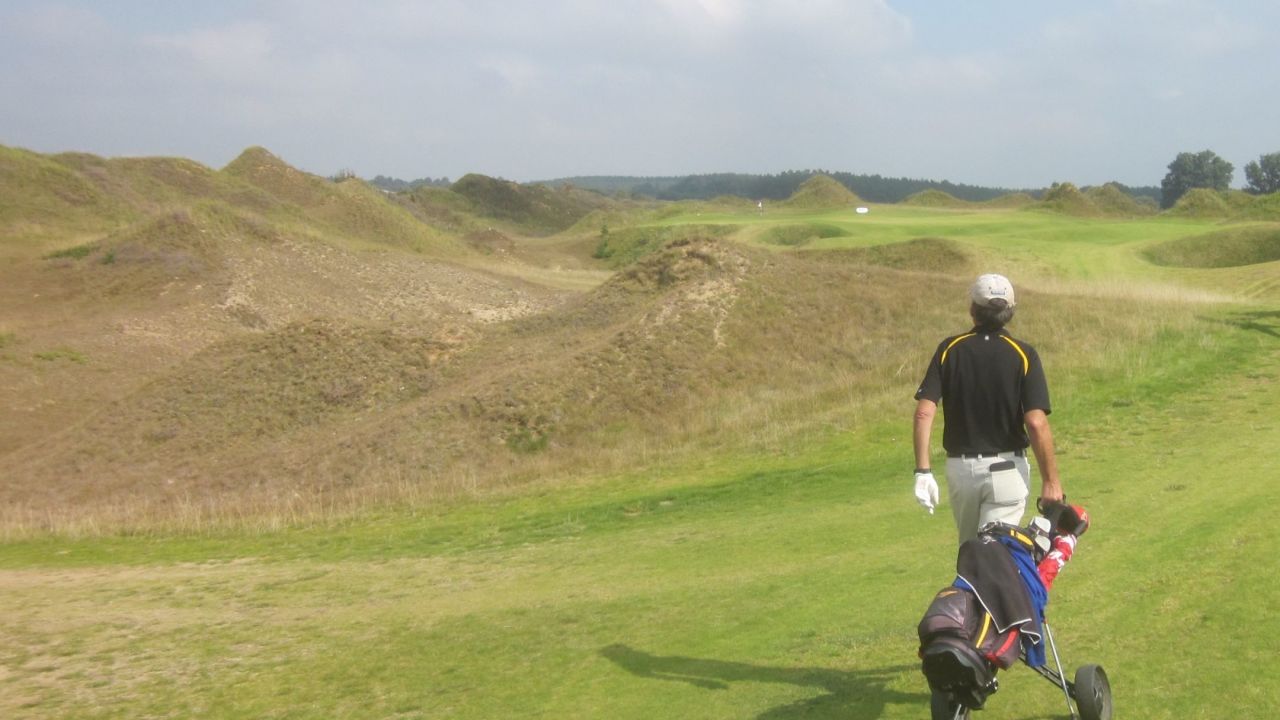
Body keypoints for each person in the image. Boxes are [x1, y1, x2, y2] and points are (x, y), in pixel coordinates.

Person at [911, 273, 1063, 543]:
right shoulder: (1023, 353)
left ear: (973, 309)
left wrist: (923, 471)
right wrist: (1051, 482)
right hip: (1007, 471)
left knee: (970, 552)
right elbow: (1036, 422)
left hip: (961, 472)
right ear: (1010, 311)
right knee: (995, 556)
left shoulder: (949, 349)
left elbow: (924, 412)